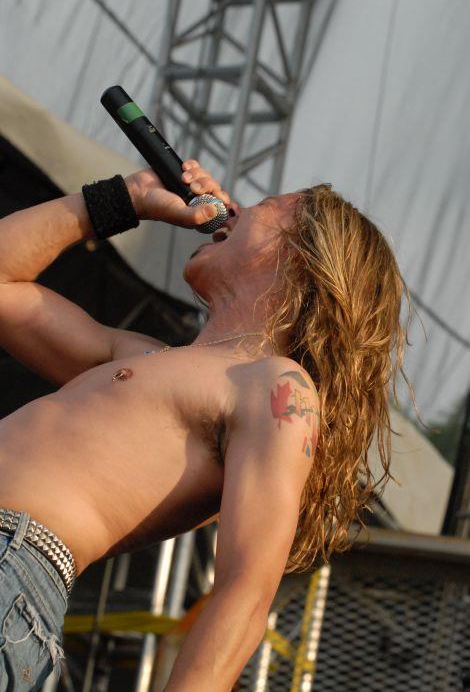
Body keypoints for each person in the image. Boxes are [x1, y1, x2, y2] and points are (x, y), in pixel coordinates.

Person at [0, 160, 410, 691]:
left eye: (260, 208)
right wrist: (122, 199)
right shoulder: (140, 355)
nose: (229, 210)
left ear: (301, 255)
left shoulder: (275, 388)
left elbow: (245, 592)